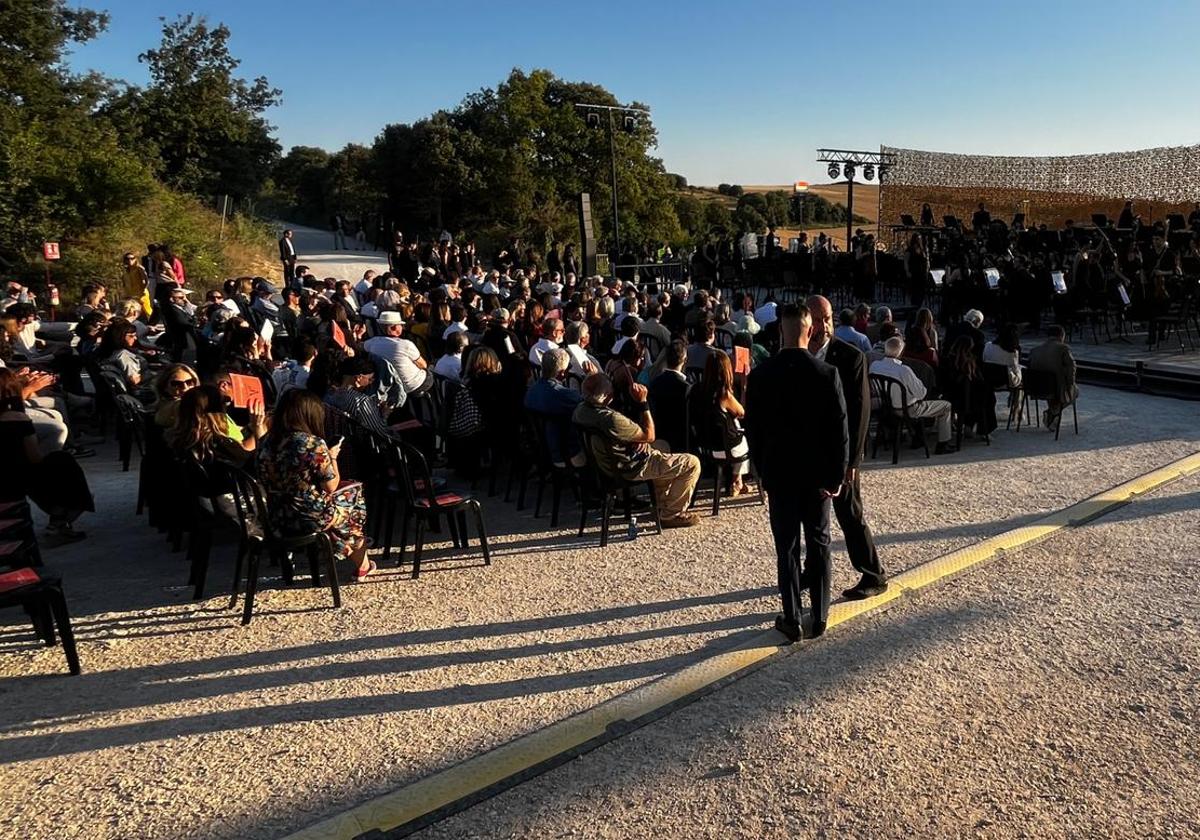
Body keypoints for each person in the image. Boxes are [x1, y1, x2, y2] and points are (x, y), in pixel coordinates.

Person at [744, 303, 847, 642]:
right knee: (819, 542)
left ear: (779, 332)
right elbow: (839, 430)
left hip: (780, 472)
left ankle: (792, 616)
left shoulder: (761, 376)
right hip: (817, 475)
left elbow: (754, 429)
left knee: (786, 547)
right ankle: (820, 614)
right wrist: (837, 475)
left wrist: (760, 470)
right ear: (810, 330)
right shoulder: (826, 373)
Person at [806, 295, 887, 599]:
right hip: (811, 449)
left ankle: (873, 573)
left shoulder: (850, 356)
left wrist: (853, 461)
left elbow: (861, 412)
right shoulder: (800, 353)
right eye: (817, 319)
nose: (824, 326)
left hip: (841, 451)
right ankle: (811, 569)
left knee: (849, 513)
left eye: (828, 319)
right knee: (812, 516)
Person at [258, 388, 373, 581]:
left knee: (337, 510)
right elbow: (331, 485)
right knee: (353, 494)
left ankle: (351, 554)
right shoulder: (310, 444)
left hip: (278, 516)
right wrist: (332, 457)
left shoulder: (265, 442)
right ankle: (358, 556)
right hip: (311, 517)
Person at [572, 373, 700, 528]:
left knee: (662, 446)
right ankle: (671, 513)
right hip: (629, 466)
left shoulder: (580, 411)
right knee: (692, 463)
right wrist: (643, 403)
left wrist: (636, 440)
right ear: (607, 396)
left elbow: (632, 435)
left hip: (606, 463)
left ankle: (661, 501)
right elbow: (649, 434)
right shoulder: (611, 419)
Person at [0, 368, 93, 541]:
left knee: (57, 464)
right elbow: (35, 457)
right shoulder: (17, 419)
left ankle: (59, 517)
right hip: (15, 477)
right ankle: (60, 518)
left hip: (8, 475)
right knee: (62, 463)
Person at [870, 336, 956, 454]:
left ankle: (916, 436)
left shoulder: (875, 365)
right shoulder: (904, 370)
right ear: (901, 352)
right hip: (906, 409)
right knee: (946, 406)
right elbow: (921, 394)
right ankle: (943, 444)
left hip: (885, 407)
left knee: (912, 400)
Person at [692, 351, 750, 495]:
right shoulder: (724, 395)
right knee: (742, 432)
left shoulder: (696, 390)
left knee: (732, 427)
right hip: (726, 448)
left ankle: (737, 481)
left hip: (705, 446)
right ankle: (737, 479)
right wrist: (743, 387)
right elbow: (742, 412)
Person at [524, 348, 585, 466]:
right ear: (562, 373)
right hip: (567, 451)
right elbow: (588, 404)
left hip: (543, 449)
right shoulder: (564, 394)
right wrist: (591, 376)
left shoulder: (530, 391)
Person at [362, 311, 432, 396]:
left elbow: (359, 346)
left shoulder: (371, 343)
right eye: (401, 325)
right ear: (394, 328)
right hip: (414, 385)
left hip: (391, 387)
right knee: (430, 373)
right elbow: (423, 365)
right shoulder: (405, 344)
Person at [1028, 325, 1077, 428]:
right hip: (1055, 387)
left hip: (1036, 387)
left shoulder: (1034, 350)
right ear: (1062, 336)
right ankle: (1053, 412)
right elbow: (1071, 368)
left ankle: (1053, 413)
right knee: (1074, 391)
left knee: (1050, 385)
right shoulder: (1063, 348)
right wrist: (1070, 384)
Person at [646, 340, 690, 454]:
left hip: (658, 436)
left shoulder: (655, 383)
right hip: (681, 443)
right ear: (685, 360)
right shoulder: (686, 388)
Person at [153, 363, 199, 429]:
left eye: (189, 382)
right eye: (176, 384)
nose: (185, 388)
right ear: (165, 387)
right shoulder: (172, 407)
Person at [983, 323, 1023, 388]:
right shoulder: (1013, 352)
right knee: (1021, 376)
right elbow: (1015, 369)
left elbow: (984, 359)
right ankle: (1015, 398)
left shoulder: (988, 345)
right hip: (1004, 381)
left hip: (988, 378)